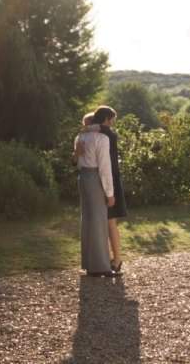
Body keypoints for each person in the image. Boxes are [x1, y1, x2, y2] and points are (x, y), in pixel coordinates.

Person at [74, 112, 117, 277]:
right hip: (94, 177)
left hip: (83, 177)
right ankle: (102, 267)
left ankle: (90, 265)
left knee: (88, 220)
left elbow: (76, 161)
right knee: (99, 220)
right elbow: (105, 169)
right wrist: (110, 193)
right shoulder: (101, 139)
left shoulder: (80, 137)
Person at [90, 106, 127, 274]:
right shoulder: (107, 134)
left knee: (108, 222)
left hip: (103, 180)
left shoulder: (95, 133)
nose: (113, 122)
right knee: (110, 222)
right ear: (106, 118)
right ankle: (115, 259)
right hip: (109, 179)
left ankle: (115, 259)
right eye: (112, 119)